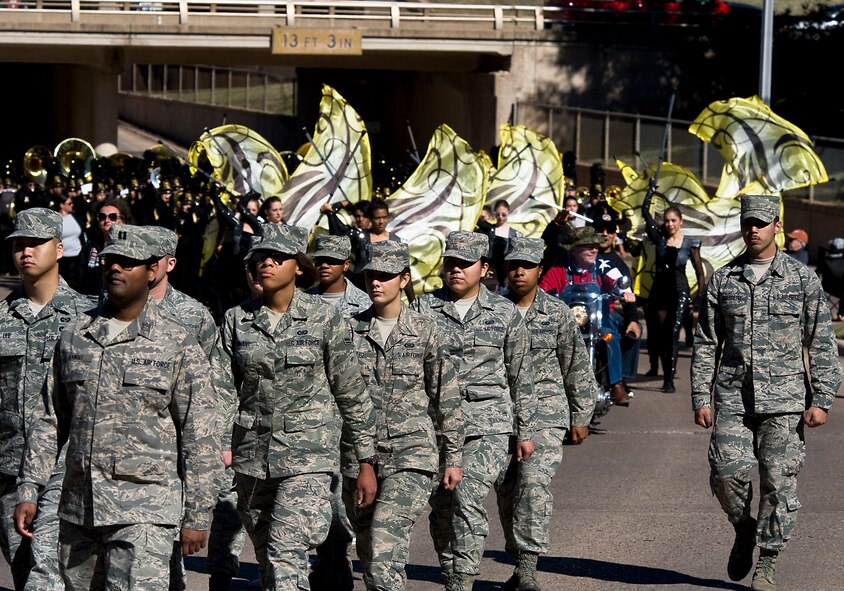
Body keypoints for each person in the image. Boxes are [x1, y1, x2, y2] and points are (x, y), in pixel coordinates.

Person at [14, 223, 222, 590]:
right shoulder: (76, 336)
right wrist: (30, 487)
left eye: (128, 262)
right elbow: (49, 420)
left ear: (152, 270)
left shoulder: (176, 343)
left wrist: (198, 513)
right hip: (80, 511)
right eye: (110, 260)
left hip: (146, 513)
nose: (115, 268)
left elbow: (200, 435)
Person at [212, 223, 378, 589]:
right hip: (251, 456)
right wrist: (219, 446)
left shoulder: (324, 318)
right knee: (268, 556)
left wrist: (366, 461)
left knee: (285, 549)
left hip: (309, 456)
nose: (267, 264)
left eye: (278, 257)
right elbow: (221, 391)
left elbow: (350, 389)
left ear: (299, 267)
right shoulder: (236, 320)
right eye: (261, 258)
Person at [690, 194, 841, 591]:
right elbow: (706, 342)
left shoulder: (802, 278)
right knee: (725, 474)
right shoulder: (724, 280)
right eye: (747, 223)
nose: (753, 229)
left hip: (786, 399)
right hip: (732, 397)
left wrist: (823, 398)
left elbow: (821, 341)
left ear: (777, 225)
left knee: (779, 483)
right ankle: (744, 527)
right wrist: (700, 397)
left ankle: (768, 561)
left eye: (761, 222)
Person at [411, 230, 536, 591]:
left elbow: (520, 374)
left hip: (488, 423)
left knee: (466, 494)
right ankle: (451, 571)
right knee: (441, 504)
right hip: (435, 426)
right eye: (450, 264)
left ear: (484, 269)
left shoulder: (504, 312)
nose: (455, 271)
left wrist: (525, 431)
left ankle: (462, 581)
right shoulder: (422, 309)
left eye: (465, 265)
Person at [343, 240, 464, 591]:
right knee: (368, 549)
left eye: (385, 276)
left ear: (404, 279)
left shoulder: (426, 330)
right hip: (358, 456)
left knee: (383, 541)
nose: (376, 283)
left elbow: (447, 396)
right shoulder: (348, 331)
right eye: (370, 277)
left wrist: (453, 455)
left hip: (412, 452)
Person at [0, 209, 94, 591]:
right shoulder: (2, 318)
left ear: (58, 249)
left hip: (66, 466)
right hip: (10, 466)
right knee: (26, 572)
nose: (26, 252)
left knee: (48, 570)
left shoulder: (86, 316)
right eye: (19, 245)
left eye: (35, 243)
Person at [498, 237, 597, 591]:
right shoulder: (493, 310)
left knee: (532, 482)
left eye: (526, 265)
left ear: (541, 270)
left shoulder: (556, 313)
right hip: (499, 416)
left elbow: (576, 365)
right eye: (513, 265)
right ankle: (517, 561)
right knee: (507, 490)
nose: (519, 272)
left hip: (546, 412)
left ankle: (527, 568)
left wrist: (581, 415)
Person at [142, 226, 227, 591]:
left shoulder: (193, 316)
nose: (142, 266)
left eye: (151, 259)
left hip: (175, 453)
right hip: (119, 457)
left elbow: (217, 385)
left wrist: (218, 443)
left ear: (169, 263)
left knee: (165, 559)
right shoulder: (103, 309)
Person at [305, 233, 372, 590]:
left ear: (347, 264)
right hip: (312, 413)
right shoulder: (301, 301)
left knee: (347, 493)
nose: (325, 265)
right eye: (320, 259)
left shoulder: (363, 305)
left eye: (333, 260)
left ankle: (342, 555)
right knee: (318, 490)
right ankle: (329, 559)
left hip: (349, 412)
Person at [539, 226, 636, 406]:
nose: (594, 249)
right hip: (567, 322)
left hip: (598, 321)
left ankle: (616, 383)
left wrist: (624, 292)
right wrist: (541, 295)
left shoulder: (602, 264)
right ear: (575, 249)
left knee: (611, 337)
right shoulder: (561, 267)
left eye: (596, 246)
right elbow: (544, 287)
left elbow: (617, 279)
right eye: (588, 246)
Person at [641, 191, 705, 393]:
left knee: (673, 335)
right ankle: (661, 368)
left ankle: (668, 379)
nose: (670, 224)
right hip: (658, 291)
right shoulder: (659, 238)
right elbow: (645, 212)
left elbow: (699, 271)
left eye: (673, 220)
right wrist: (650, 192)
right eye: (667, 221)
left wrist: (699, 297)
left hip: (679, 292)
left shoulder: (689, 243)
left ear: (681, 221)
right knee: (659, 335)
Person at [77, 197, 133, 299]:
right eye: (102, 217)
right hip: (90, 301)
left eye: (112, 217)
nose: (107, 220)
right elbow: (80, 277)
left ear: (123, 221)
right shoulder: (89, 246)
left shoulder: (131, 247)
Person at [54, 193, 85, 292]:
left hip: (77, 256)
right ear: (62, 205)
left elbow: (82, 235)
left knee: (77, 283)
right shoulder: (55, 219)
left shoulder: (76, 217)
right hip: (62, 258)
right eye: (69, 203)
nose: (72, 205)